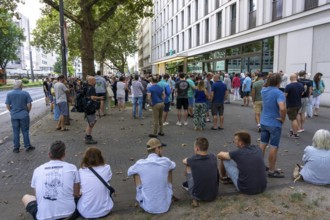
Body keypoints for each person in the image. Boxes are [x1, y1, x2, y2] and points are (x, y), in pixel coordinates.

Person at [22, 141, 80, 220]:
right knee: (81, 192)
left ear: (49, 154)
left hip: (43, 217)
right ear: (64, 155)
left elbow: (37, 196)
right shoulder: (72, 168)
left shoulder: (37, 170)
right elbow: (76, 194)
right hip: (69, 215)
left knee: (26, 197)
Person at [127, 138, 176, 214]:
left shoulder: (140, 163)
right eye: (161, 148)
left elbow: (129, 172)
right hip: (165, 206)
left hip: (148, 207)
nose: (162, 150)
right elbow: (173, 165)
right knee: (169, 169)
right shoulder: (165, 161)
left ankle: (140, 197)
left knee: (136, 173)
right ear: (157, 149)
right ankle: (169, 191)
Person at [259, 73, 286, 178]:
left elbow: (265, 86)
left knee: (262, 144)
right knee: (274, 147)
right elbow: (282, 108)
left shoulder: (263, 90)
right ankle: (271, 170)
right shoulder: (279, 93)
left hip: (264, 121)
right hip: (274, 123)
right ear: (279, 82)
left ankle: (260, 166)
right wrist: (282, 118)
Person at [77, 147, 113, 218]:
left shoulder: (81, 171)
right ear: (100, 157)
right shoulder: (107, 168)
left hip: (85, 212)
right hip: (105, 210)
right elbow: (108, 181)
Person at [182, 137, 219, 207]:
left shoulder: (192, 159)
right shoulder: (213, 157)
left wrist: (189, 163)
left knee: (188, 165)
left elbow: (184, 161)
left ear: (197, 148)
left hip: (198, 196)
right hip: (214, 194)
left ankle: (192, 190)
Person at [5, 80, 35, 153]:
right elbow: (29, 104)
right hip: (24, 115)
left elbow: (7, 105)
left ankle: (16, 148)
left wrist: (11, 111)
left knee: (16, 131)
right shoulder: (25, 93)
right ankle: (27, 146)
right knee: (25, 131)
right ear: (21, 86)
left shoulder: (9, 94)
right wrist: (27, 112)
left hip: (14, 115)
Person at [84, 76, 104, 144]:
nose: (95, 82)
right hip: (90, 107)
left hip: (87, 106)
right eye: (94, 80)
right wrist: (99, 98)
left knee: (92, 121)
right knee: (91, 122)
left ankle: (87, 135)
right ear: (91, 81)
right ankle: (88, 137)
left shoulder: (86, 87)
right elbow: (92, 97)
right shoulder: (91, 88)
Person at [285, 73, 304, 139]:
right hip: (298, 103)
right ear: (296, 78)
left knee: (293, 119)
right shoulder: (301, 85)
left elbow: (285, 95)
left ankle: (295, 134)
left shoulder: (288, 86)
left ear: (290, 78)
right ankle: (293, 130)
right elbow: (302, 93)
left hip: (291, 104)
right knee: (295, 117)